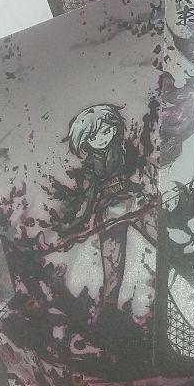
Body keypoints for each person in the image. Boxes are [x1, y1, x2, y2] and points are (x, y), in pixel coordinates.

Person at [48, 103, 154, 313]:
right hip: (110, 212)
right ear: (85, 141)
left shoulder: (126, 148)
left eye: (107, 130)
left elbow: (143, 167)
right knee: (112, 268)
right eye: (94, 136)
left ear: (115, 127)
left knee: (159, 233)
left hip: (135, 200)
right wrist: (72, 228)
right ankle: (109, 311)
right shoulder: (90, 168)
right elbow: (87, 200)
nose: (102, 138)